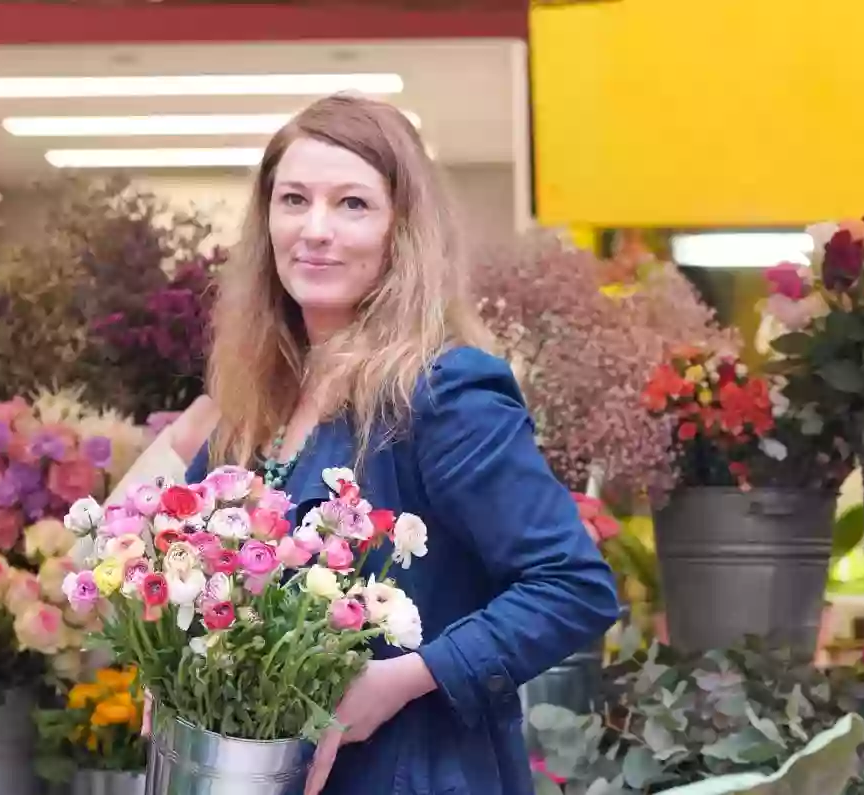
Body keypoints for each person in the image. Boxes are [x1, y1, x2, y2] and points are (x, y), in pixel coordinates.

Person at [186, 94, 619, 795]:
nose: (315, 229)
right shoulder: (252, 404)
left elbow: (573, 587)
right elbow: (186, 559)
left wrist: (397, 680)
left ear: (401, 231)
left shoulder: (441, 391)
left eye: (352, 204)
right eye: (294, 199)